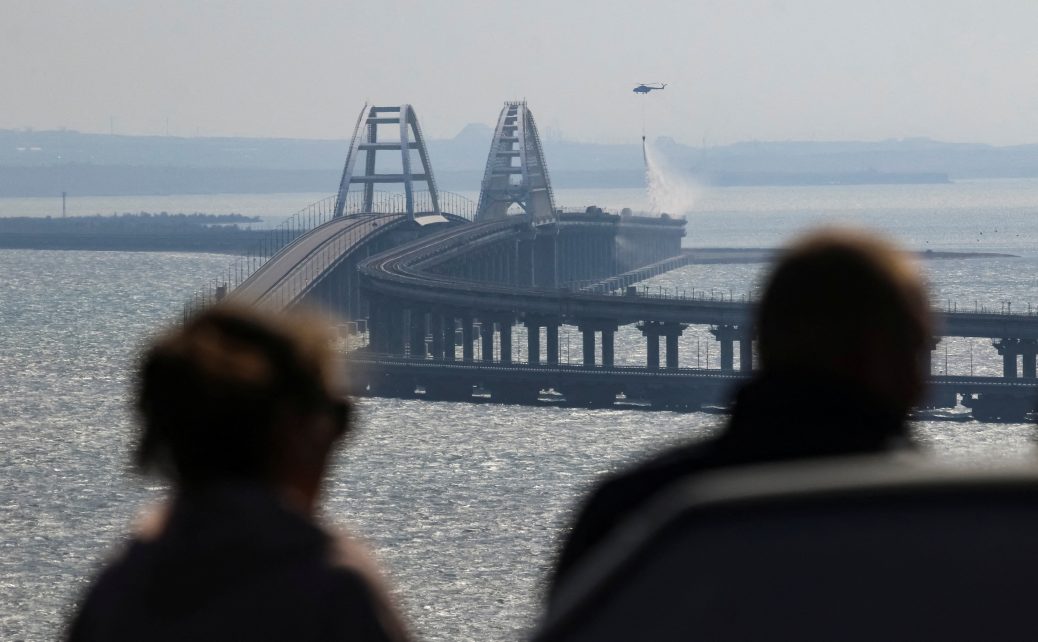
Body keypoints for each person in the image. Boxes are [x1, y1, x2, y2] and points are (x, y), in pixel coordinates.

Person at [546, 228, 934, 603]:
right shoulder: (942, 519)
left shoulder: (634, 511)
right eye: (919, 351)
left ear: (764, 343)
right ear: (883, 358)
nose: (924, 382)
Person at [67, 304, 410, 641]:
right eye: (337, 417)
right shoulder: (333, 588)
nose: (338, 439)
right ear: (292, 432)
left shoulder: (116, 593)